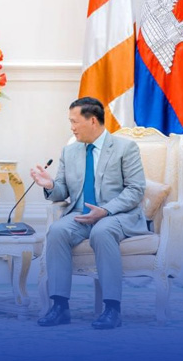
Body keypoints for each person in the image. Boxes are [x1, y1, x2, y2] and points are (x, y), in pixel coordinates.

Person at [30, 97, 148, 329]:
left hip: (116, 215)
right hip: (80, 215)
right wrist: (50, 185)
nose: (72, 128)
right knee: (57, 231)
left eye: (75, 122)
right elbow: (63, 191)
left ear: (92, 120)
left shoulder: (125, 148)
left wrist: (105, 210)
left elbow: (136, 190)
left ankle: (112, 309)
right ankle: (60, 307)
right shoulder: (69, 151)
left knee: (102, 231)